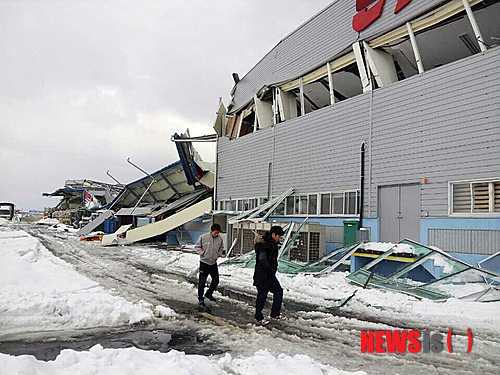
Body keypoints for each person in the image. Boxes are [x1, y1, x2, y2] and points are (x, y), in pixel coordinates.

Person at [253, 225, 285, 324]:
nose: (279, 239)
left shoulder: (273, 244)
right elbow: (262, 259)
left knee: (279, 291)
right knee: (262, 296)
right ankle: (258, 317)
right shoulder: (264, 244)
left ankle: (275, 314)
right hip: (262, 275)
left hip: (270, 275)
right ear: (273, 234)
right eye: (278, 236)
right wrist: (269, 268)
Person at [196, 223, 224, 307]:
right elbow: (197, 246)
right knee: (202, 282)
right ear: (212, 231)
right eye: (216, 232)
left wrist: (218, 254)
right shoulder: (203, 237)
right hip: (204, 263)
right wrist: (202, 253)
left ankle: (208, 294)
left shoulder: (220, 239)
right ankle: (201, 299)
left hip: (213, 263)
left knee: (216, 280)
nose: (217, 234)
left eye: (218, 232)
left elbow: (221, 248)